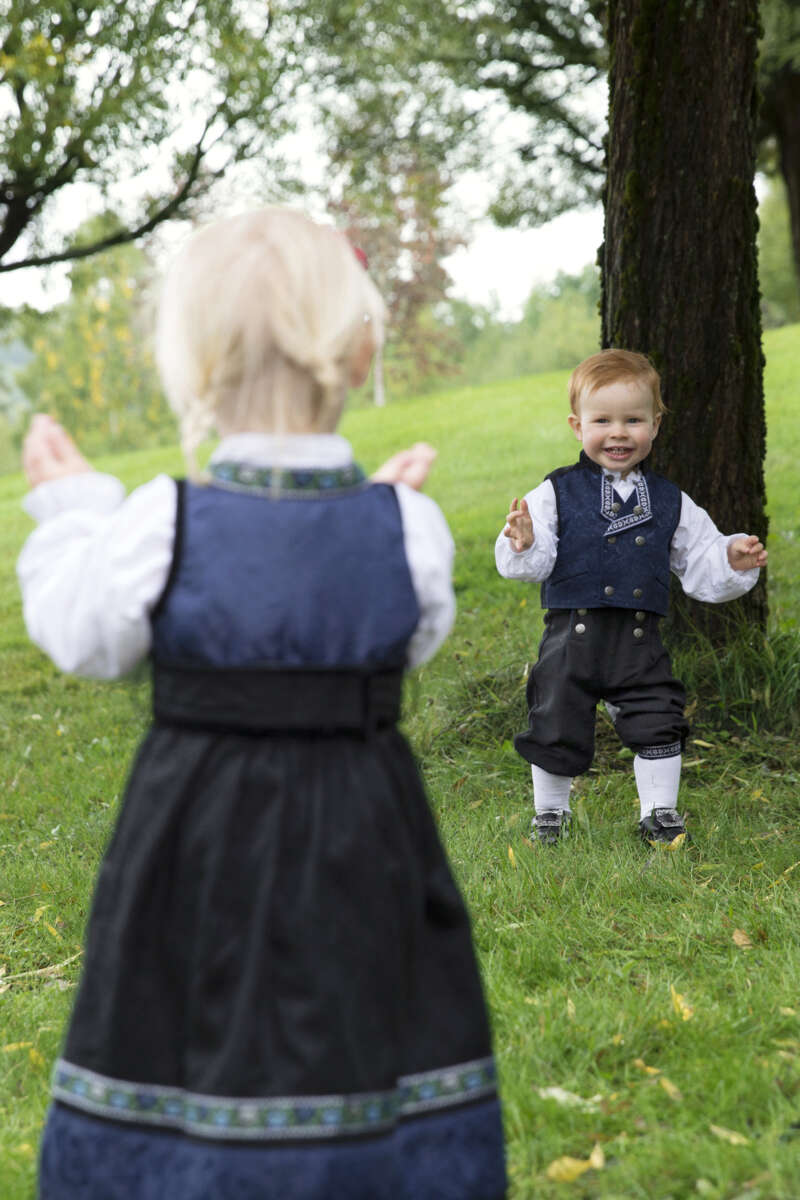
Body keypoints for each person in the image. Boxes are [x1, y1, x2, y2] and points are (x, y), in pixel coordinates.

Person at [18, 208, 507, 1200]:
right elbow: (408, 633)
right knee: (363, 1015)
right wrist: (376, 514)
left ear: (192, 367)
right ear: (361, 349)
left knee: (184, 1026)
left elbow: (83, 634)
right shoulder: (404, 527)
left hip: (195, 837)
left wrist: (74, 512)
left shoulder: (159, 520)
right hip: (362, 835)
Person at [495, 348, 767, 847]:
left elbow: (700, 556)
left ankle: (659, 813)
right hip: (571, 637)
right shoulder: (555, 492)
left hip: (639, 639)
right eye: (603, 420)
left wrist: (731, 557)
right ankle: (550, 814)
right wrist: (525, 540)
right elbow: (535, 556)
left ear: (655, 425)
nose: (618, 433)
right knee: (555, 719)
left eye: (633, 420)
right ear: (577, 426)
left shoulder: (669, 499)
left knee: (658, 715)